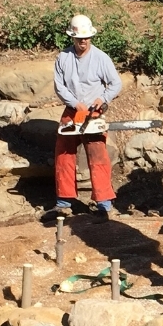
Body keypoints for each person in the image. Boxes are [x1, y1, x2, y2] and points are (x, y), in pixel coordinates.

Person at [54, 14, 125, 219]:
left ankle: (103, 203)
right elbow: (59, 86)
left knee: (98, 155)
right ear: (72, 37)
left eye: (86, 38)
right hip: (72, 109)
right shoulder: (63, 58)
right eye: (79, 38)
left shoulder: (101, 58)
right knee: (63, 153)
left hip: (93, 112)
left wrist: (102, 99)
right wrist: (75, 104)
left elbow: (115, 83)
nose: (83, 41)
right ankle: (64, 201)